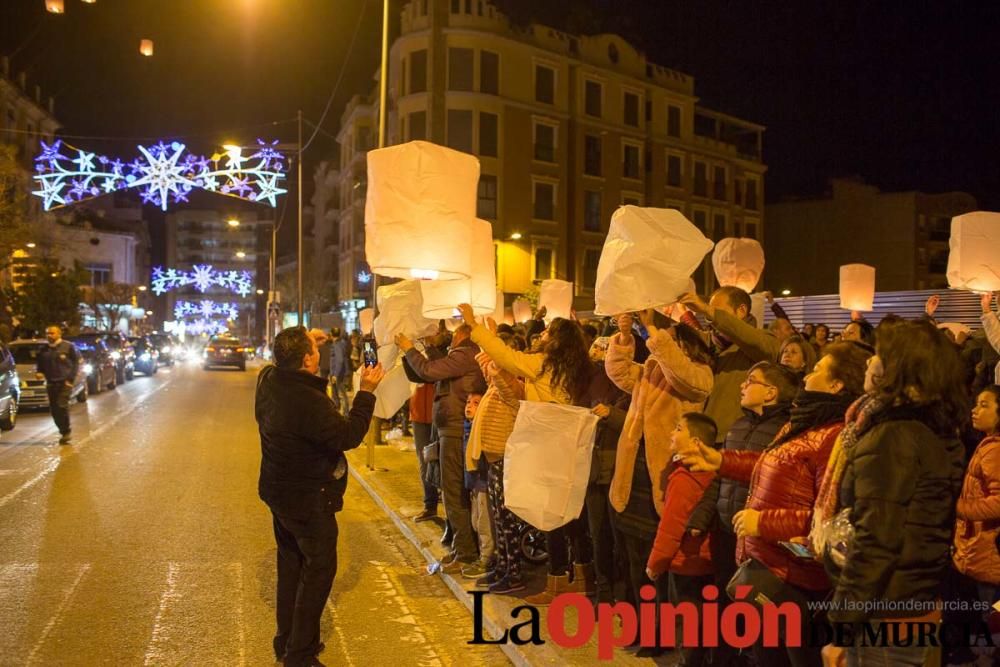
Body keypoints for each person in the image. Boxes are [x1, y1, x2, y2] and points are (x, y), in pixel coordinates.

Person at [817, 321, 967, 667]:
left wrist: (842, 627)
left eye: (879, 356)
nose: (869, 362)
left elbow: (877, 539)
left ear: (899, 368)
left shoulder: (894, 436)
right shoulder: (936, 429)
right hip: (911, 601)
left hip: (882, 612)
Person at [255, 326, 385, 667]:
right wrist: (367, 392)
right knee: (318, 571)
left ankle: (287, 640)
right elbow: (347, 435)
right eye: (314, 348)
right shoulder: (310, 402)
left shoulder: (269, 382)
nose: (319, 350)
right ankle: (299, 655)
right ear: (308, 360)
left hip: (277, 492)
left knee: (290, 565)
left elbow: (279, 363)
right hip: (308, 498)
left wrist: (305, 338)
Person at [459, 303, 596, 605]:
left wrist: (474, 326)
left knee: (550, 513)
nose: (543, 335)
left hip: (547, 446)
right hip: (568, 445)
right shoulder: (579, 367)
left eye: (548, 332)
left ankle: (557, 580)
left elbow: (506, 355)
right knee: (571, 512)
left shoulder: (544, 364)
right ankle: (583, 577)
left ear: (558, 341)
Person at [606, 309, 714, 657]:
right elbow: (621, 373)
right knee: (636, 558)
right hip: (634, 473)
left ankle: (664, 633)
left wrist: (653, 327)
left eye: (668, 339)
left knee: (662, 562)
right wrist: (624, 338)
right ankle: (644, 625)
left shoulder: (697, 373)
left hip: (663, 473)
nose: (656, 344)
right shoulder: (654, 367)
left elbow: (684, 375)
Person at [685, 361, 797, 667]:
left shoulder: (785, 431)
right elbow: (721, 475)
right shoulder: (738, 425)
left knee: (757, 607)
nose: (742, 386)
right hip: (726, 528)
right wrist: (702, 516)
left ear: (771, 392)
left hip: (759, 534)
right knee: (726, 599)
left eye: (751, 381)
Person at [396, 324, 487, 573]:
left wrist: (409, 348)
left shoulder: (465, 353)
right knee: (453, 490)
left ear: (462, 334)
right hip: (452, 427)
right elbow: (423, 374)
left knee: (453, 490)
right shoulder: (460, 356)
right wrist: (414, 352)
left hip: (456, 430)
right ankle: (462, 547)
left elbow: (427, 370)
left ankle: (466, 553)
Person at [646, 413, 719, 667]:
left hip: (687, 560)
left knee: (690, 621)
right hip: (706, 558)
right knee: (705, 619)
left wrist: (657, 562)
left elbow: (671, 527)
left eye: (678, 429)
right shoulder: (708, 473)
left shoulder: (685, 479)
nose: (671, 433)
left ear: (696, 441)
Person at [679, 287, 766, 443]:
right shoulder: (712, 342)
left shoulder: (761, 342)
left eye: (716, 310)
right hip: (702, 435)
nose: (709, 317)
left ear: (741, 310)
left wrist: (707, 309)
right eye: (709, 312)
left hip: (734, 438)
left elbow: (752, 339)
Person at [952, 386, 1000, 655]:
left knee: (990, 629)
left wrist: (959, 508)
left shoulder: (996, 450)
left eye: (984, 405)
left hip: (989, 552)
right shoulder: (988, 443)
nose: (975, 409)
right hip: (981, 550)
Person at [36, 324, 81, 445]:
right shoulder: (43, 350)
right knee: (54, 410)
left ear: (59, 334)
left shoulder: (68, 347)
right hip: (51, 383)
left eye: (52, 333)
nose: (49, 335)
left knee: (61, 405)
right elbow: (40, 365)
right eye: (47, 333)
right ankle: (63, 431)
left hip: (64, 383)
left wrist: (70, 380)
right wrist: (39, 372)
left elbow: (76, 363)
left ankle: (67, 431)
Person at [328, 328, 352, 412]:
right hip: (341, 372)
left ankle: (345, 413)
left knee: (340, 394)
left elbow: (340, 360)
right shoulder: (342, 343)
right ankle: (339, 410)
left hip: (338, 373)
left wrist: (335, 374)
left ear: (331, 334)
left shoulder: (337, 345)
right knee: (338, 393)